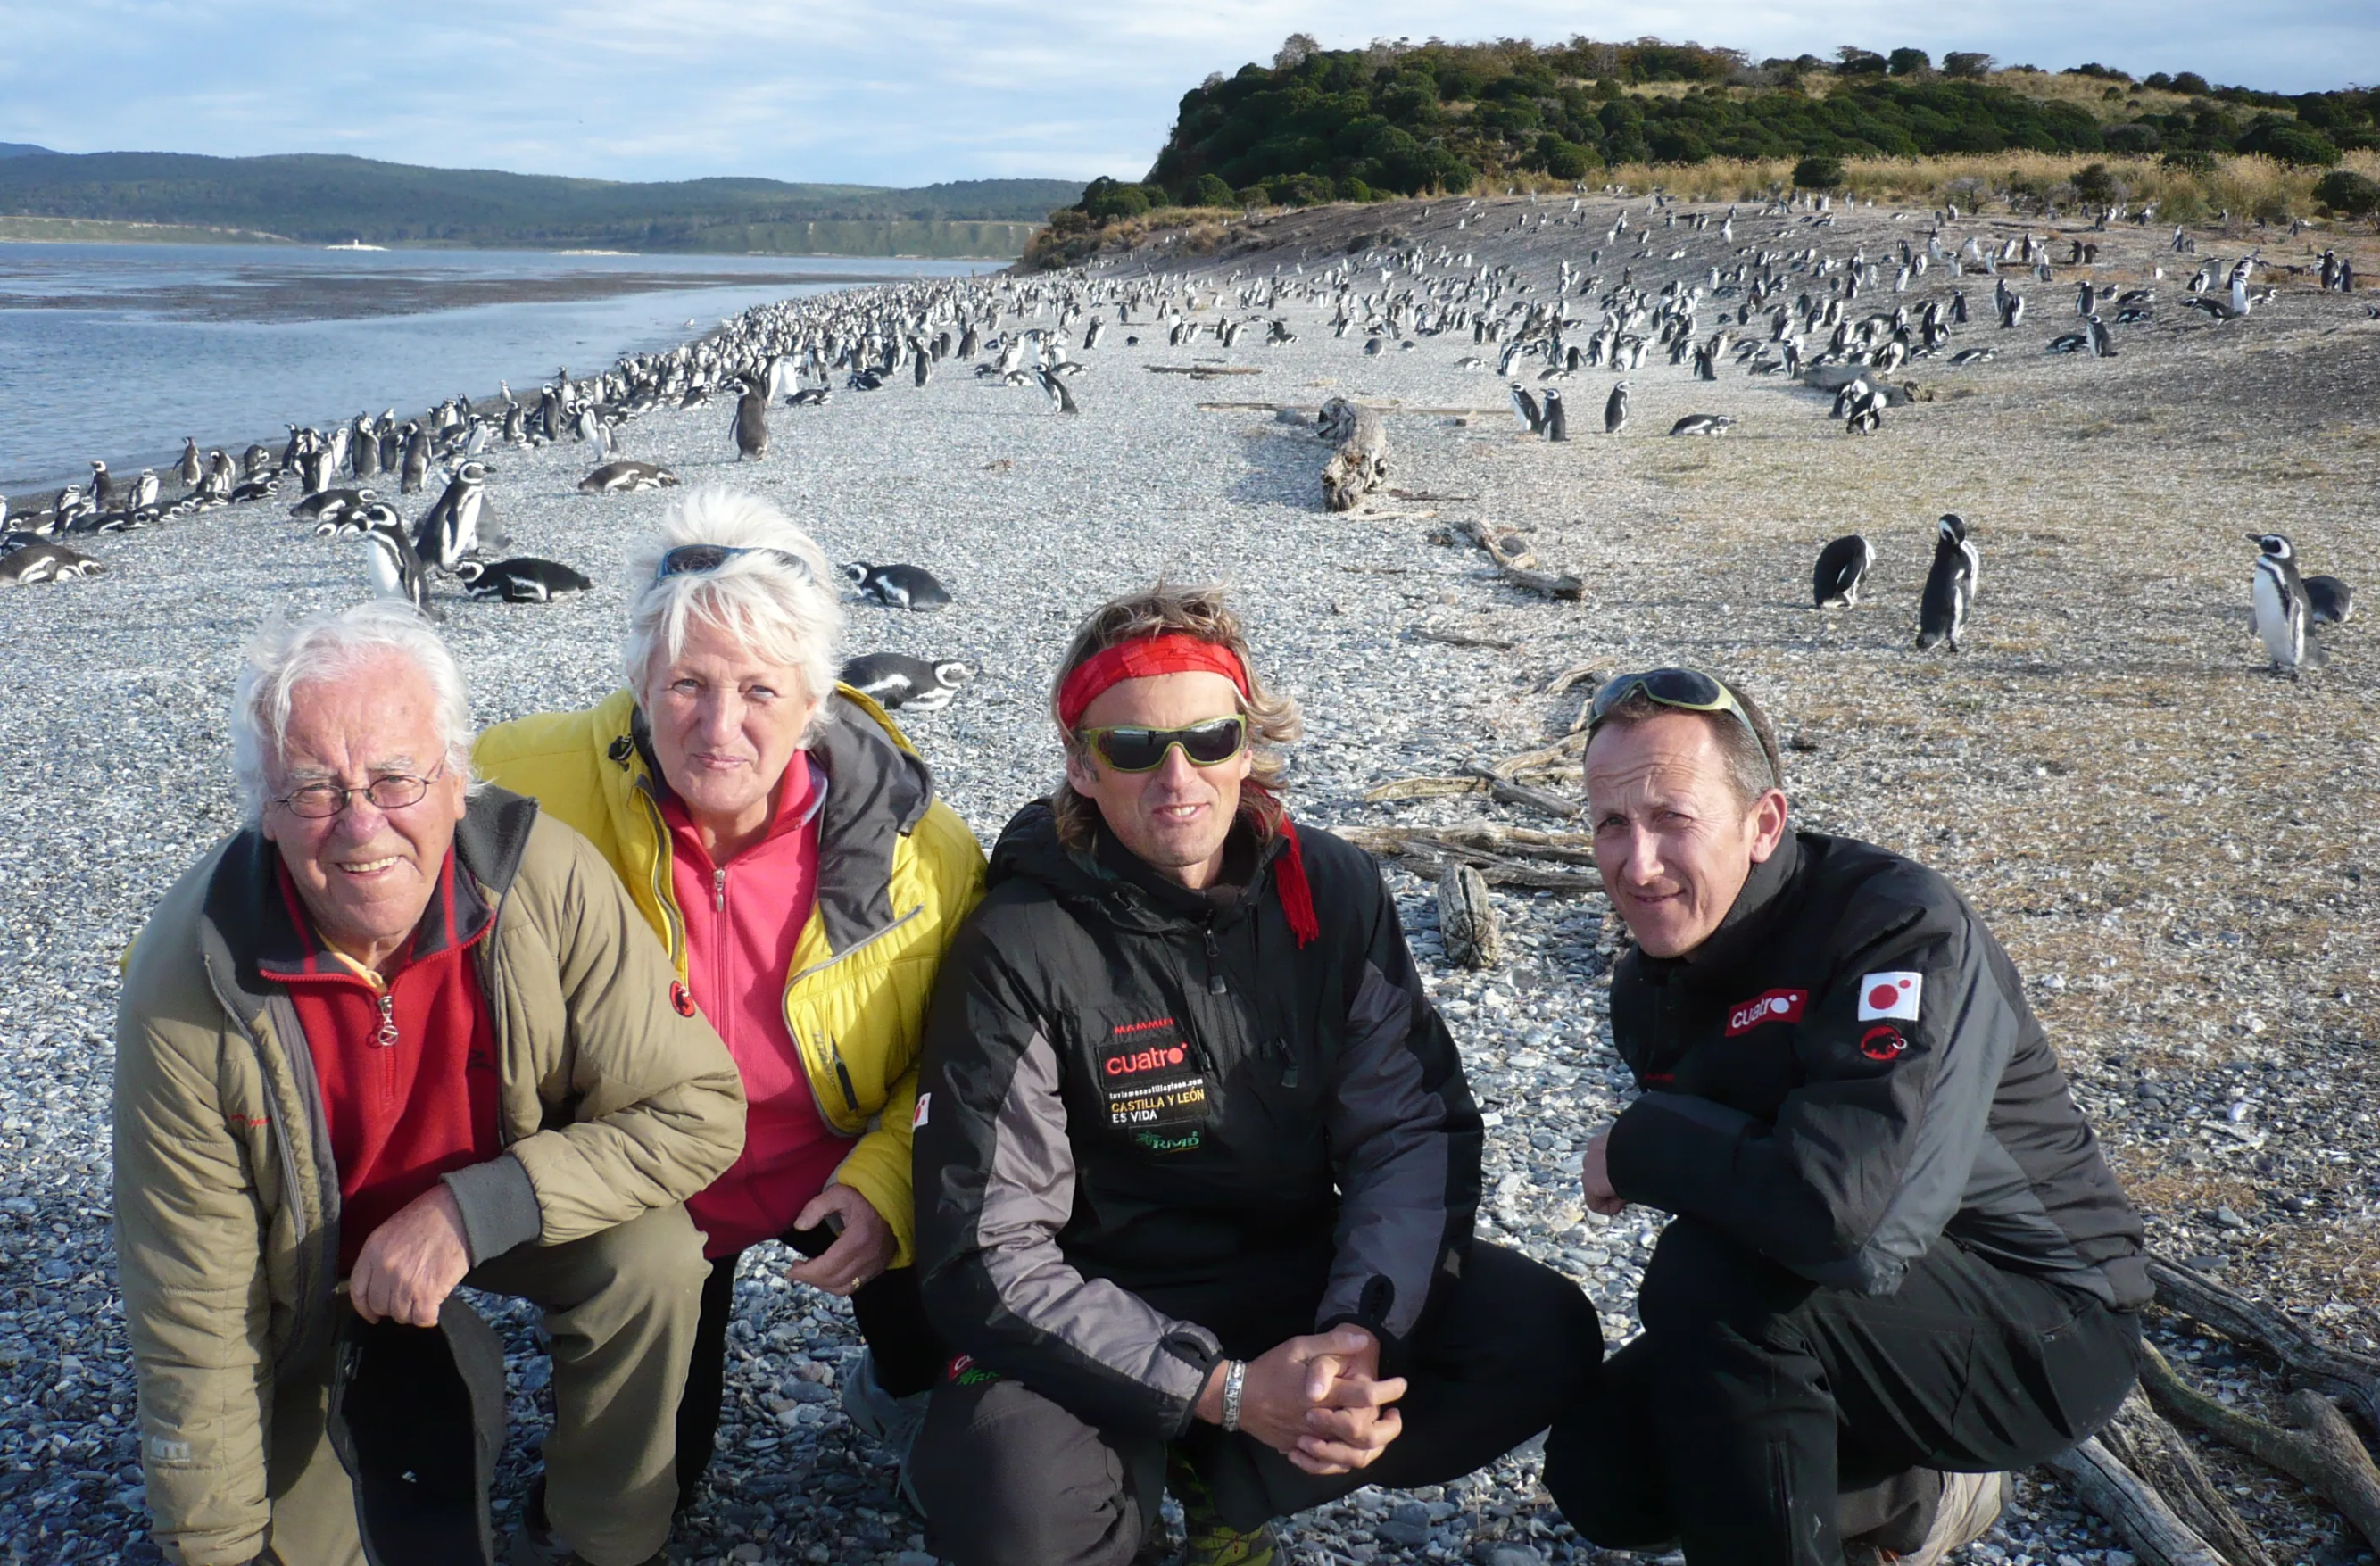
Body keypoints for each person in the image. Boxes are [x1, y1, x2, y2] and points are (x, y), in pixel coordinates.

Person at [908, 583, 1599, 1566]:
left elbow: (1406, 1132)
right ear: (1081, 764)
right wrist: (1219, 1389)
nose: (1177, 776)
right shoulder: (1019, 942)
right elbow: (987, 1246)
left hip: (1291, 1273)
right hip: (1098, 1305)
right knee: (1010, 1509)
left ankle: (1224, 1488)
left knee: (1541, 1334)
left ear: (1250, 743)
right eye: (1134, 747)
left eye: (1210, 738)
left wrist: (1359, 1334)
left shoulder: (1332, 888)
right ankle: (1137, 1495)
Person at [114, 601, 747, 1566]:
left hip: (500, 1203)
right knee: (284, 1541)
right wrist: (214, 1545)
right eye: (316, 789)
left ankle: (602, 1537)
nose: (363, 823)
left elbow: (700, 1107)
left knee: (655, 1256)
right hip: (302, 1264)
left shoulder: (544, 881)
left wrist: (476, 1207)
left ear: (457, 779)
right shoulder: (187, 979)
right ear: (267, 813)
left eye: (397, 777)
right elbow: (192, 1300)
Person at [1542, 667, 2151, 1566]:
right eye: (1610, 825)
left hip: (2049, 1323)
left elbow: (1853, 1225)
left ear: (1764, 822)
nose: (1638, 864)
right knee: (1602, 1468)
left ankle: (1928, 1480)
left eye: (1672, 818)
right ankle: (1916, 1494)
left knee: (1707, 1280)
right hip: (1861, 1324)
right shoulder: (1650, 984)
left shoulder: (1895, 927)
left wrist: (1639, 1145)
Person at [474, 490, 984, 1508]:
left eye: (759, 688)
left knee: (952, 1253)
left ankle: (904, 1387)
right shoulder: (516, 787)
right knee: (657, 1487)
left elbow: (960, 1052)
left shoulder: (921, 850)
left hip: (829, 1154)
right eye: (687, 684)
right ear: (637, 680)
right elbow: (327, 860)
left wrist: (886, 1183)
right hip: (647, 1181)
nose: (719, 726)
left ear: (815, 696)